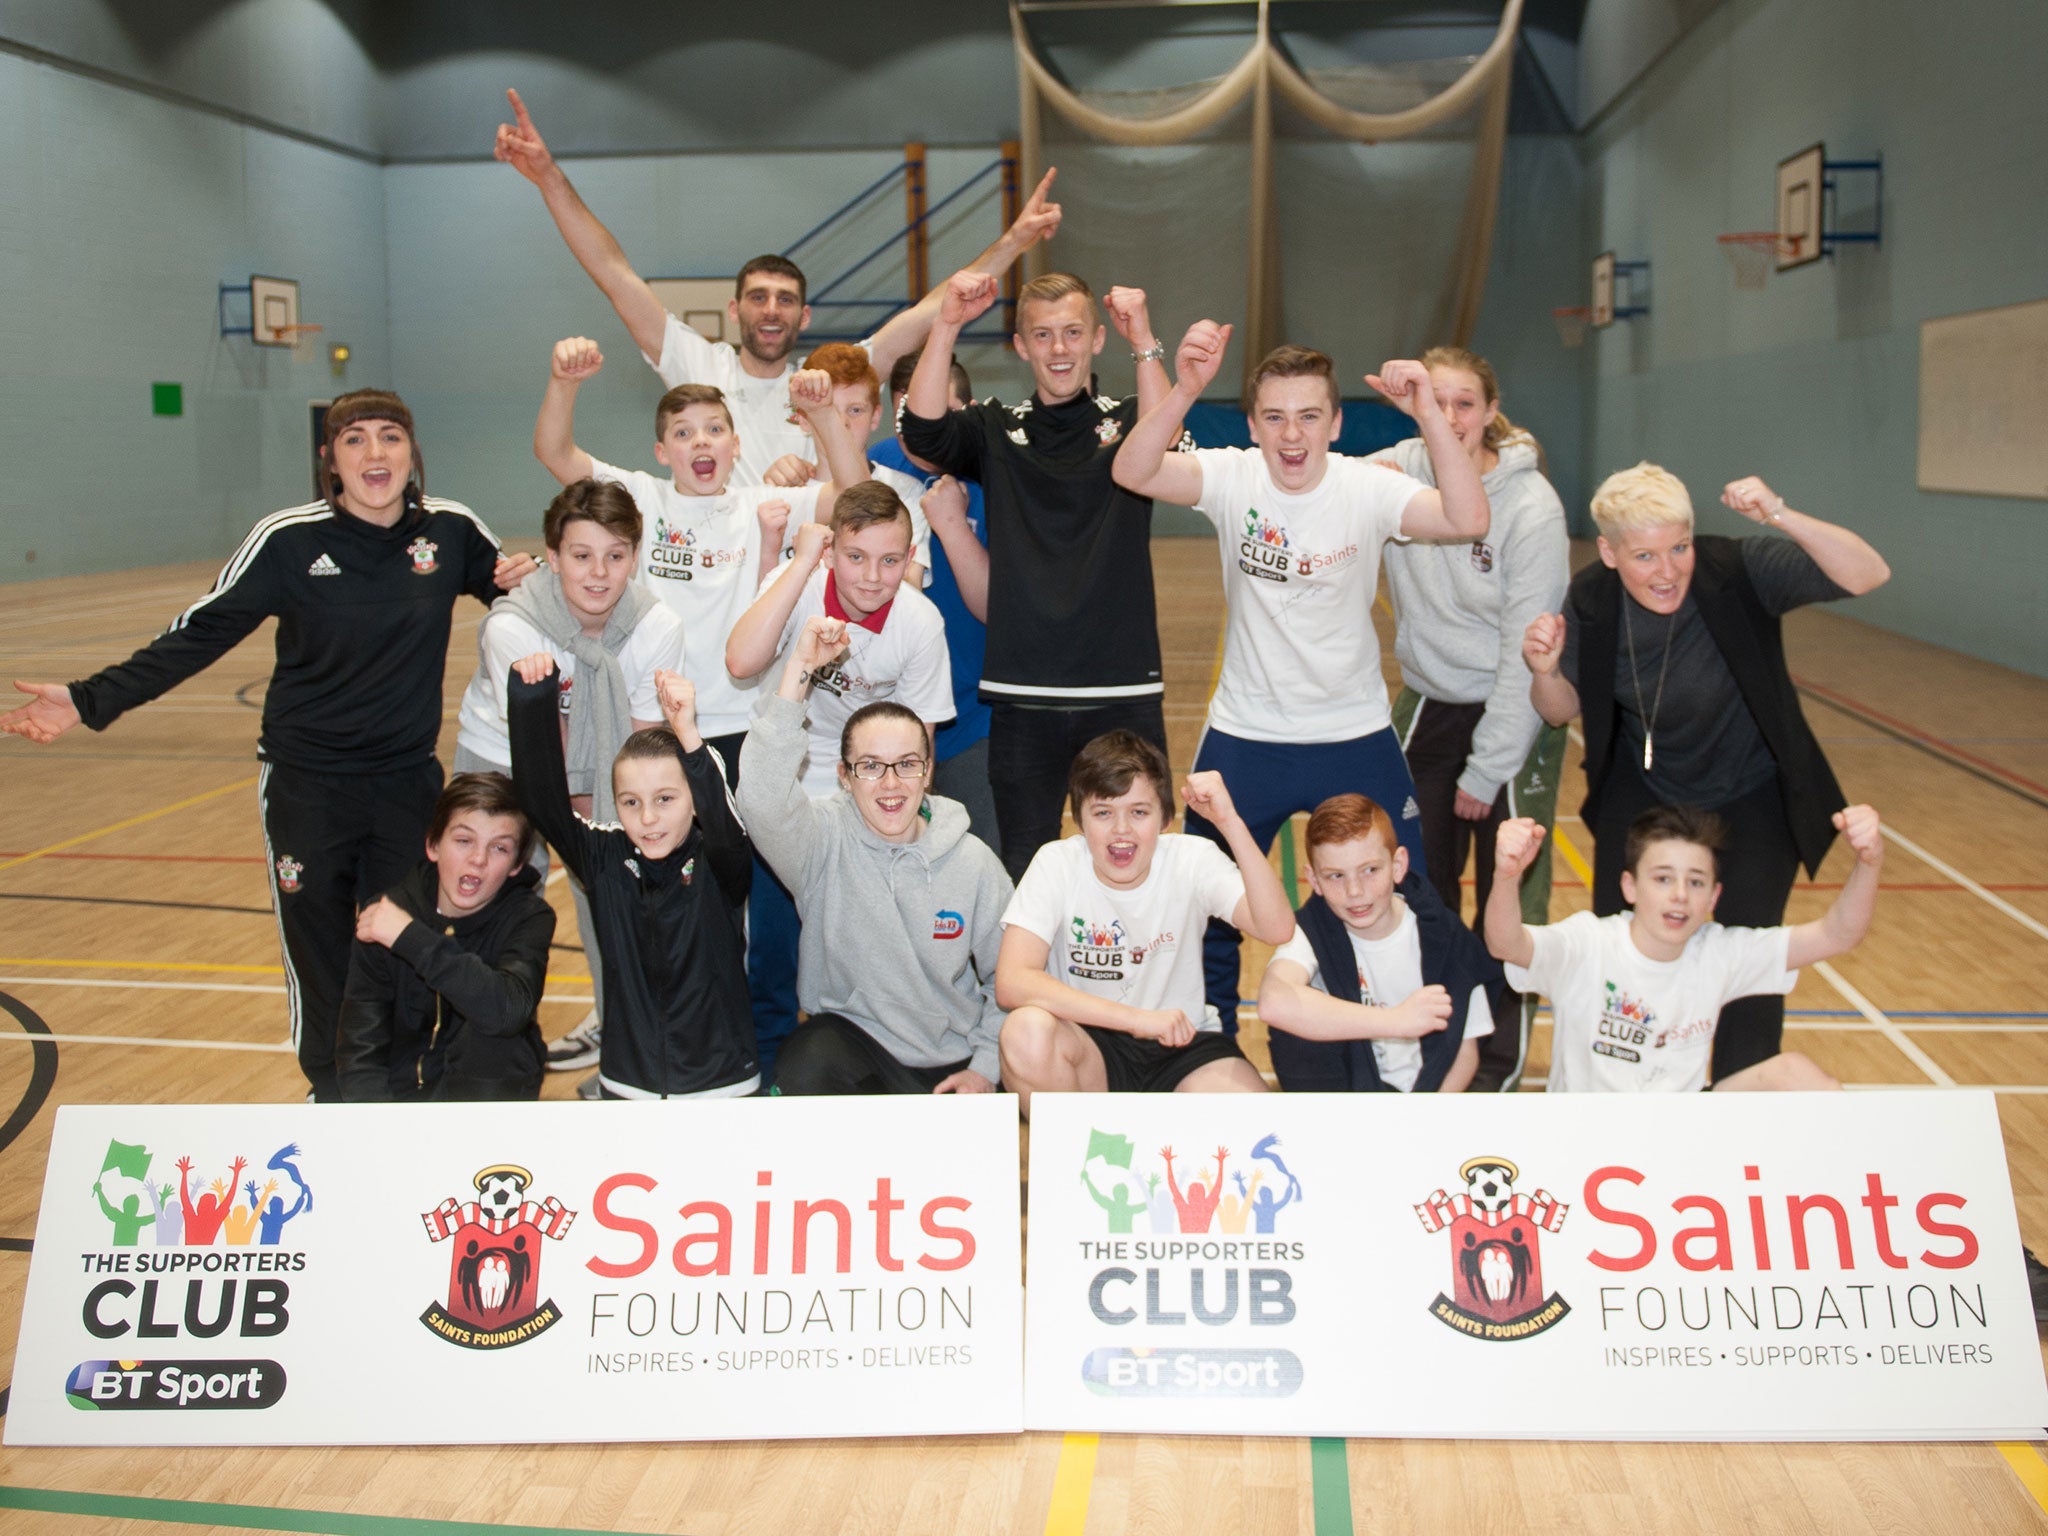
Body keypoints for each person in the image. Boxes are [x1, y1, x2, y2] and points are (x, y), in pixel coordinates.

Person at [1, 391, 533, 1102]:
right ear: (329, 460)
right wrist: (87, 700)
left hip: (406, 782)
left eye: (390, 437)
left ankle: (398, 1089)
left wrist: (526, 582)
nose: (375, 454)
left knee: (405, 938)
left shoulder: (451, 530)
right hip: (306, 784)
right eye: (355, 440)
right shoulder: (287, 539)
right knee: (318, 949)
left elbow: (518, 601)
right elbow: (199, 633)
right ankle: (329, 1087)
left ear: (412, 453)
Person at [1110, 325, 1489, 1034]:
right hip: (1245, 738)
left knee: (1413, 889)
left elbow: (1469, 516)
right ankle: (1211, 1036)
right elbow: (1133, 471)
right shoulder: (1232, 476)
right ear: (1253, 425)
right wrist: (1187, 387)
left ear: (1336, 423)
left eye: (1310, 415)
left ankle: (1429, 1030)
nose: (1292, 434)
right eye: (1275, 417)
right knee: (1205, 903)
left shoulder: (1369, 489)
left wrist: (1429, 412)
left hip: (1354, 736)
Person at [537, 344, 867, 1078]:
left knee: (750, 902)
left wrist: (820, 418)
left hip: (744, 731)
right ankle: (641, 1044)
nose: (700, 444)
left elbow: (856, 493)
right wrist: (565, 382)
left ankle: (750, 1047)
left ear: (737, 443)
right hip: (654, 736)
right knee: (651, 901)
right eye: (683, 432)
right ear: (662, 449)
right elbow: (555, 452)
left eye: (714, 429)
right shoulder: (642, 501)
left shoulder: (756, 507)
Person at [492, 87, 1062, 485]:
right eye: (759, 297)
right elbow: (612, 272)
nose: (772, 310)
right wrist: (549, 177)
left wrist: (1012, 241)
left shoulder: (831, 378)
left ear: (804, 317)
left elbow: (935, 309)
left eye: (786, 300)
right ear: (734, 309)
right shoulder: (699, 366)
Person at [1523, 464, 1891, 1078]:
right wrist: (1544, 670)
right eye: (1644, 555)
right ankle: (1622, 1095)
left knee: (1751, 963)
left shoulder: (1738, 571)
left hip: (1753, 794)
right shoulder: (1590, 599)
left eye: (1679, 548)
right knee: (1626, 956)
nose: (1667, 571)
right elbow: (1561, 712)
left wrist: (1779, 512)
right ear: (1609, 552)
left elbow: (1867, 572)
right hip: (1644, 797)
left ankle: (1741, 1114)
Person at [901, 270, 1177, 879]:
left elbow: (1166, 445)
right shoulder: (997, 428)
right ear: (1021, 346)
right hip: (1025, 695)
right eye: (1043, 335)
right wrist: (946, 322)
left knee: (1138, 865)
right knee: (1025, 869)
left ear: (1097, 339)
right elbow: (921, 430)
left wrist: (1145, 339)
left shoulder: (1129, 418)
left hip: (1120, 688)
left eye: (1073, 332)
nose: (1059, 349)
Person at [1378, 344, 1570, 1091]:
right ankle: (1426, 1046)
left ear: (1491, 412)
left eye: (1465, 404)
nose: (1450, 418)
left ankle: (1497, 1068)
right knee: (1413, 886)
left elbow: (1527, 646)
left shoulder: (1531, 507)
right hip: (1426, 707)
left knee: (1507, 895)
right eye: (1435, 400)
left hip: (1512, 713)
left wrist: (1489, 767)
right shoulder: (1391, 475)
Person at [451, 476, 685, 1077]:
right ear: (552, 558)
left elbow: (636, 749)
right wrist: (583, 830)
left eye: (615, 556)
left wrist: (610, 840)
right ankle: (483, 1057)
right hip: (503, 765)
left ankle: (622, 1041)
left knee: (617, 900)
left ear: (636, 556)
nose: (599, 574)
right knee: (491, 901)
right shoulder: (514, 629)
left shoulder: (656, 627)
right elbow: (544, 764)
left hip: (606, 767)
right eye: (581, 556)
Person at [726, 483, 954, 1072]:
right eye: (855, 557)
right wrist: (798, 564)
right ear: (831, 553)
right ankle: (769, 1069)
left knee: (863, 942)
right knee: (774, 940)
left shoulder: (919, 622)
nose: (872, 577)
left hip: (865, 784)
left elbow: (916, 744)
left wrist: (901, 820)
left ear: (909, 559)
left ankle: (870, 1057)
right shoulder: (799, 584)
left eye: (890, 560)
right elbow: (741, 663)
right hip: (789, 773)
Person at [736, 616, 1012, 1096]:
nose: (890, 783)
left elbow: (1010, 980)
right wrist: (799, 666)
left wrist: (985, 1069)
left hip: (951, 1061)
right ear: (844, 776)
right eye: (870, 767)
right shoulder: (820, 844)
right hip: (852, 1051)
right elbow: (760, 797)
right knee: (803, 1063)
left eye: (907, 765)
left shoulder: (972, 862)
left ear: (928, 773)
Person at [1485, 804, 1884, 1092]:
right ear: (1629, 887)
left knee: (1794, 1074)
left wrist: (1869, 862)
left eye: (1695, 883)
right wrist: (1506, 876)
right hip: (1589, 1138)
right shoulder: (1590, 943)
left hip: (1681, 1135)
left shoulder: (1718, 952)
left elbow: (1837, 934)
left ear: (1714, 897)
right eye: (1662, 879)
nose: (1679, 896)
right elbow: (1506, 943)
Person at [995, 732, 1294, 1110]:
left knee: (1250, 1121)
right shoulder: (1056, 863)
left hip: (1182, 1046)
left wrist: (1229, 821)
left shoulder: (1193, 859)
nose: (1122, 830)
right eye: (1103, 812)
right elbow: (1012, 981)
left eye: (1139, 812)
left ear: (1166, 818)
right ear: (1080, 821)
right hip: (1089, 1049)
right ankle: (1076, 1160)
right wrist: (1136, 1020)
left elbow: (1277, 928)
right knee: (1025, 1032)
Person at [508, 662, 757, 1099]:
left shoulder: (720, 861)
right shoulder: (604, 856)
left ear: (694, 800)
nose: (647, 818)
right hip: (628, 1084)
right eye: (630, 802)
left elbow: (726, 823)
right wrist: (532, 698)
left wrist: (689, 733)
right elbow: (540, 801)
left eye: (665, 799)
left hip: (725, 1086)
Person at [1256, 794, 1503, 1092]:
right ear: (1314, 881)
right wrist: (1396, 1021)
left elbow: (1466, 1051)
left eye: (1370, 870)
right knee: (1293, 1034)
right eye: (1335, 876)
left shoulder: (1443, 934)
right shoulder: (1311, 931)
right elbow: (1273, 1002)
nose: (1355, 891)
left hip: (1425, 1098)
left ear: (1398, 865)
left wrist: (1425, 1117)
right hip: (1347, 1099)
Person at [337, 773, 555, 1101]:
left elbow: (508, 1010)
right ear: (433, 845)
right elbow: (360, 1048)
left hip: (482, 1103)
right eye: (464, 840)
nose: (478, 859)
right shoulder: (385, 913)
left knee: (496, 1029)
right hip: (398, 1106)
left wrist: (410, 938)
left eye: (499, 848)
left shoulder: (528, 917)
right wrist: (377, 1128)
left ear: (515, 865)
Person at [872, 349, 996, 850]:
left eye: (934, 414)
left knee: (982, 866)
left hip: (975, 715)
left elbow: (997, 604)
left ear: (965, 413)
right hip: (884, 715)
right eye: (907, 413)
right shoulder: (873, 465)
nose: (918, 428)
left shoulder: (997, 475)